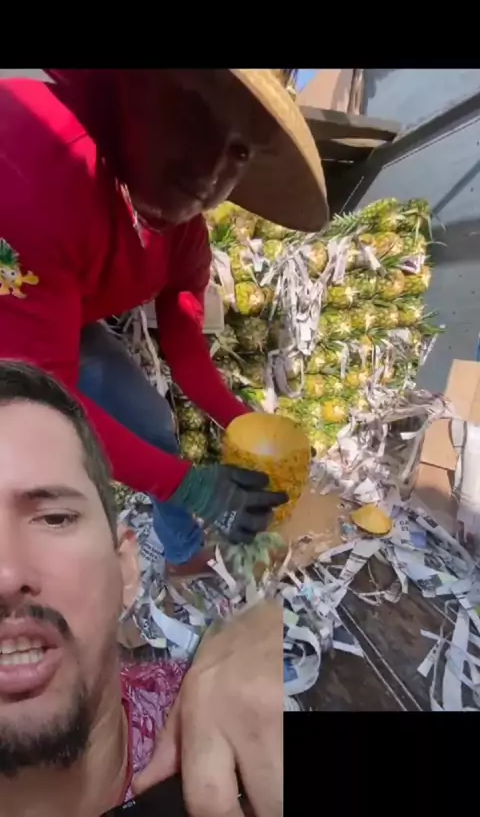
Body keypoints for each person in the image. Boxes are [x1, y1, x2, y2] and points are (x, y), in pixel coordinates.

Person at [0, 68, 328, 576]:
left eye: (240, 150)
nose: (212, 170)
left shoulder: (181, 232)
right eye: (196, 115)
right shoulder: (33, 161)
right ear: (135, 86)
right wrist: (191, 486)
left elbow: (183, 337)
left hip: (47, 313)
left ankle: (180, 552)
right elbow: (41, 404)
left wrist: (242, 422)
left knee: (152, 425)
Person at [0, 359, 283, 817]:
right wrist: (185, 485)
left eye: (54, 518)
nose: (6, 574)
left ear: (125, 568)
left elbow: (184, 343)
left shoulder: (218, 717)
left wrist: (266, 631)